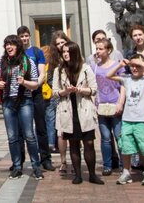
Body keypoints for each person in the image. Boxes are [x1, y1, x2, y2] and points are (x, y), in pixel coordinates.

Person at [0, 35, 43, 180]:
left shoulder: (28, 62)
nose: (9, 47)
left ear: (18, 46)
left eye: (12, 44)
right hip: (8, 101)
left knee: (29, 135)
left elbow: (35, 84)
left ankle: (36, 166)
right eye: (7, 44)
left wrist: (24, 82)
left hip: (24, 101)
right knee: (12, 136)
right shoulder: (2, 61)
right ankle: (16, 166)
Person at [54, 41, 103, 185]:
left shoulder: (86, 68)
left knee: (88, 143)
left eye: (68, 51)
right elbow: (55, 92)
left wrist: (80, 90)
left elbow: (94, 89)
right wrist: (66, 91)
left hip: (84, 108)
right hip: (68, 110)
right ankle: (77, 175)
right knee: (73, 143)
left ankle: (92, 174)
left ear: (75, 52)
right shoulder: (59, 70)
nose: (65, 54)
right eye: (63, 52)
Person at [106, 54, 144, 186]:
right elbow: (109, 75)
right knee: (125, 147)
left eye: (137, 66)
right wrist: (120, 65)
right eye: (132, 66)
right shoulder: (127, 79)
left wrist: (143, 64)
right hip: (128, 118)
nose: (134, 68)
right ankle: (126, 172)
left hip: (143, 119)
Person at [17, 26, 54, 172]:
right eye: (21, 36)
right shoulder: (17, 53)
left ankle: (45, 158)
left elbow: (41, 72)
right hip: (21, 94)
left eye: (26, 36)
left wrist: (36, 84)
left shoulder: (37, 52)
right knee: (21, 130)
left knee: (41, 127)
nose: (24, 39)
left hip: (36, 93)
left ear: (29, 36)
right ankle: (19, 160)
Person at [92, 38, 125, 176]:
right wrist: (95, 102)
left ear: (108, 50)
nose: (98, 51)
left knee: (119, 136)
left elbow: (123, 84)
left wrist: (120, 103)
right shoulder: (95, 66)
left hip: (114, 103)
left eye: (101, 49)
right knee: (105, 137)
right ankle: (107, 165)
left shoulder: (117, 65)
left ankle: (125, 165)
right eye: (97, 49)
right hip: (101, 106)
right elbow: (94, 85)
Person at [45, 30, 71, 171]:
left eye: (63, 42)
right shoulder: (53, 61)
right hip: (59, 98)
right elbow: (49, 79)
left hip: (74, 96)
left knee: (73, 131)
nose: (61, 46)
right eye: (58, 44)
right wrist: (59, 89)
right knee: (61, 130)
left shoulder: (74, 55)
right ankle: (63, 160)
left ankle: (74, 159)